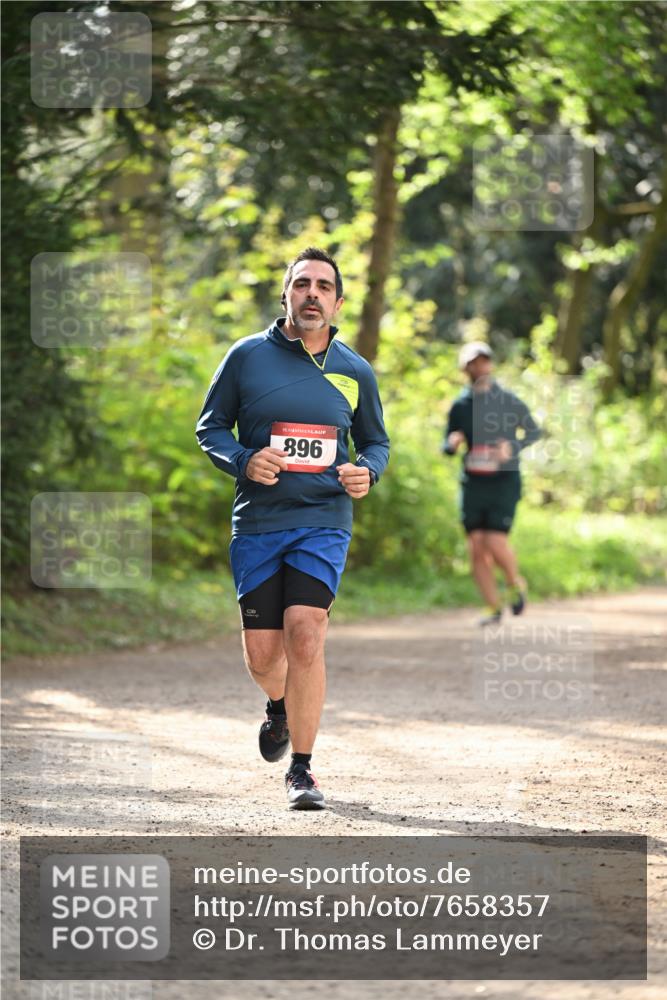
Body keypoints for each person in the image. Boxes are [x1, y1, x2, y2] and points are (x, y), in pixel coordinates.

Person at [195, 247, 389, 810]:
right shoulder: (247, 356)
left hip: (323, 520)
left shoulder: (354, 369)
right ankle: (278, 706)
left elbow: (375, 441)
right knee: (263, 656)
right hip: (259, 522)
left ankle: (302, 769)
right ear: (285, 295)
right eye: (302, 284)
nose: (312, 294)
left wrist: (367, 471)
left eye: (323, 286)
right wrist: (244, 459)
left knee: (305, 631)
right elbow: (211, 428)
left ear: (338, 302)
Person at [443, 341, 540, 626]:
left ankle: (514, 583)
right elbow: (447, 443)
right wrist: (451, 444)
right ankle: (492, 607)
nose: (480, 367)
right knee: (476, 546)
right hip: (473, 483)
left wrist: (512, 446)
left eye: (484, 361)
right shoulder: (460, 405)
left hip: (504, 482)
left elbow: (534, 431)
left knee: (495, 541)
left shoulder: (508, 400)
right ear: (465, 368)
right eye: (474, 363)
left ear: (491, 364)